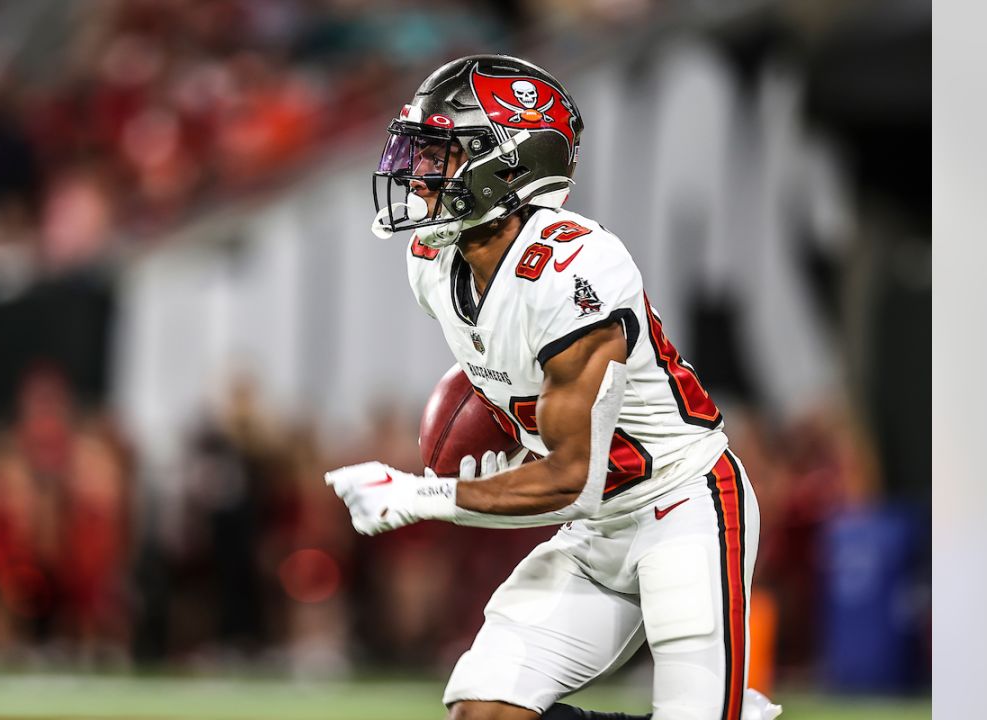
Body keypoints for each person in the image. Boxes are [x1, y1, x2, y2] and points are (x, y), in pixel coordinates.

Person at [325, 55, 783, 720]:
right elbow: (509, 373)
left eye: (441, 155)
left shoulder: (576, 268)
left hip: (682, 505)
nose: (416, 174)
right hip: (595, 528)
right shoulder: (431, 262)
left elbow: (573, 475)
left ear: (508, 168)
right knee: (483, 713)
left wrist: (424, 493)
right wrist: (507, 429)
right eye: (418, 152)